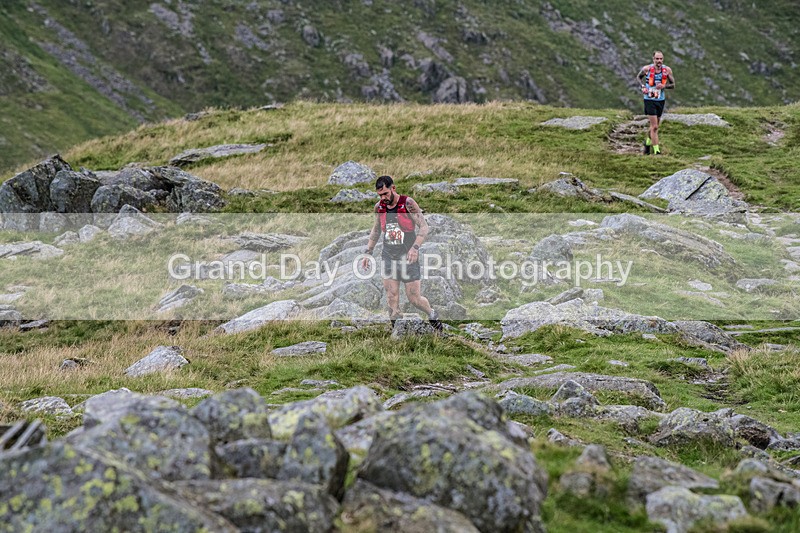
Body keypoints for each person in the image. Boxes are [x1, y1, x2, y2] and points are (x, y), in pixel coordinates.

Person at [361, 175, 443, 332]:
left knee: (414, 298)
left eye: (385, 193)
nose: (383, 198)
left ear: (393, 188)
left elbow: (424, 227)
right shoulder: (379, 207)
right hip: (388, 256)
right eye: (380, 195)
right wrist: (368, 252)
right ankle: (397, 331)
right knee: (391, 296)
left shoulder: (408, 203)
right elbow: (376, 230)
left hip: (408, 257)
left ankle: (432, 315)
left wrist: (415, 248)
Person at [637, 51, 675, 155]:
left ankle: (647, 143)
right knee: (655, 127)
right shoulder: (647, 69)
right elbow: (639, 78)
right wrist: (643, 86)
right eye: (657, 59)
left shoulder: (667, 70)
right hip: (649, 99)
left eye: (661, 59)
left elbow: (673, 85)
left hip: (660, 100)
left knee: (655, 126)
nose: (659, 61)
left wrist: (664, 86)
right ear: (653, 59)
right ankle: (656, 151)